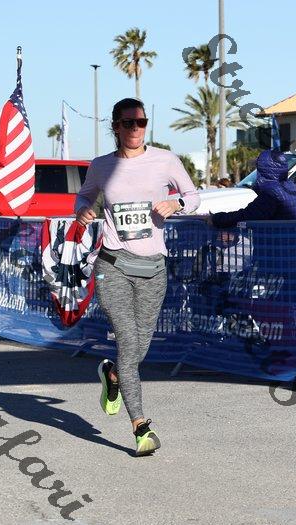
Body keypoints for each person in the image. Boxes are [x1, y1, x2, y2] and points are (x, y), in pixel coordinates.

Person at [75, 97, 201, 456]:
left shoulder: (165, 160)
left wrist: (176, 203)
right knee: (129, 341)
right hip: (113, 264)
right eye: (128, 123)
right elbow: (84, 197)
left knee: (140, 347)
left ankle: (112, 374)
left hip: (153, 269)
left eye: (141, 122)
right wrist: (83, 211)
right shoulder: (101, 165)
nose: (135, 128)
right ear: (116, 126)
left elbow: (193, 196)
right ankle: (141, 427)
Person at [209, 149, 296, 228]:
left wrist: (215, 219)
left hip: (276, 245)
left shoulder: (271, 193)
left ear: (264, 170)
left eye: (258, 168)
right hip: (294, 243)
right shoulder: (291, 187)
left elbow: (246, 216)